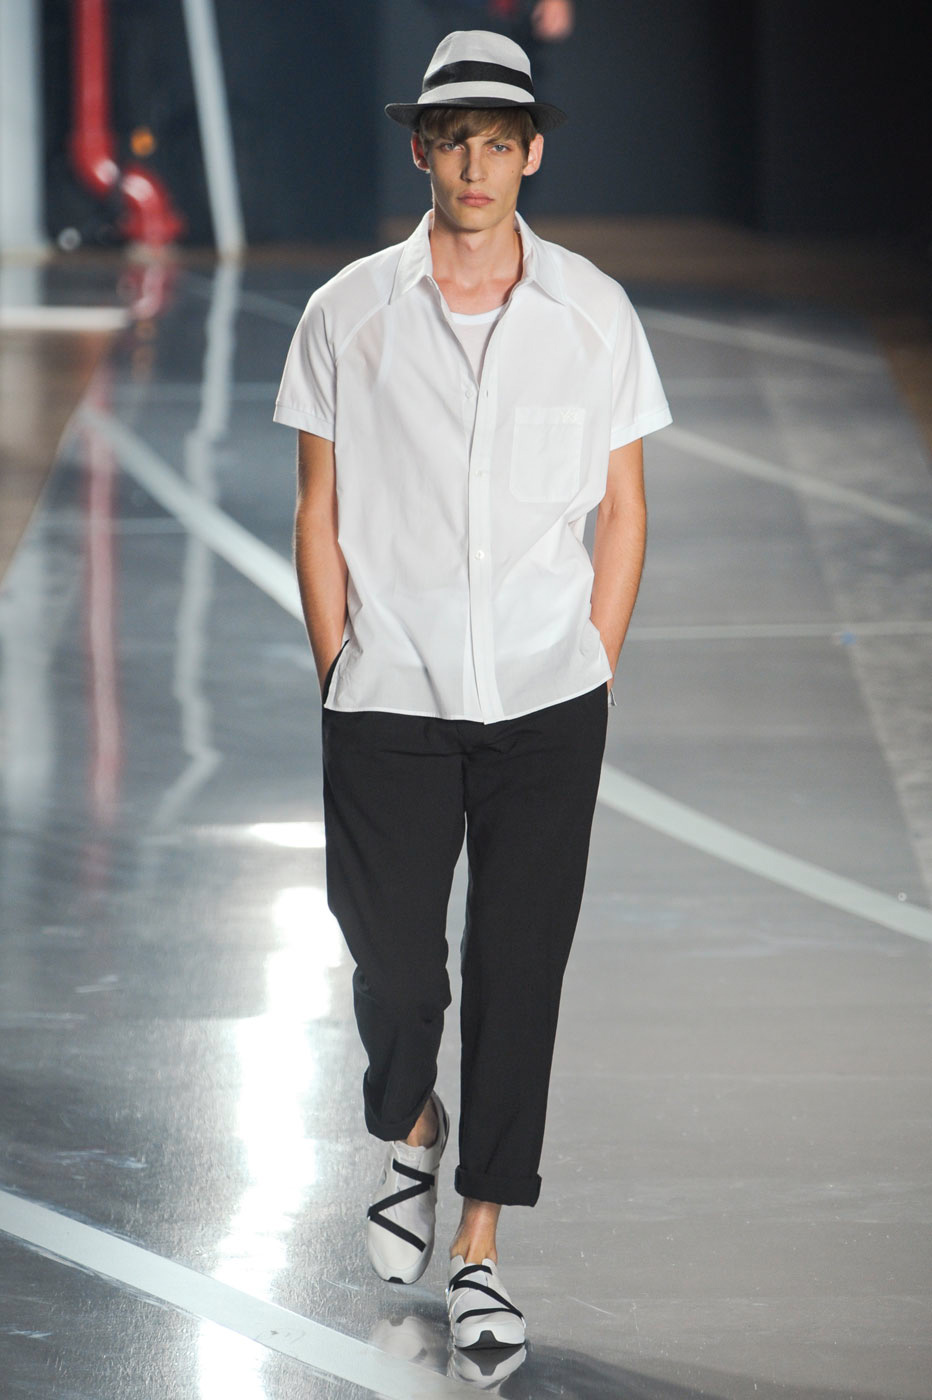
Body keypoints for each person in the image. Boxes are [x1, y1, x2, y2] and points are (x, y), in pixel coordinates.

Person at [274, 28, 671, 1351]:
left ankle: (482, 1245)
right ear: (422, 153)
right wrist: (340, 664)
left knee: (519, 972)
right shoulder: (346, 314)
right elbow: (317, 506)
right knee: (393, 969)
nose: (477, 165)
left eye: (500, 142)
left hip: (548, 696)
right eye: (456, 142)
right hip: (389, 692)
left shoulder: (594, 312)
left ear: (532, 154)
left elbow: (624, 506)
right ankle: (412, 1126)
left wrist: (594, 661)